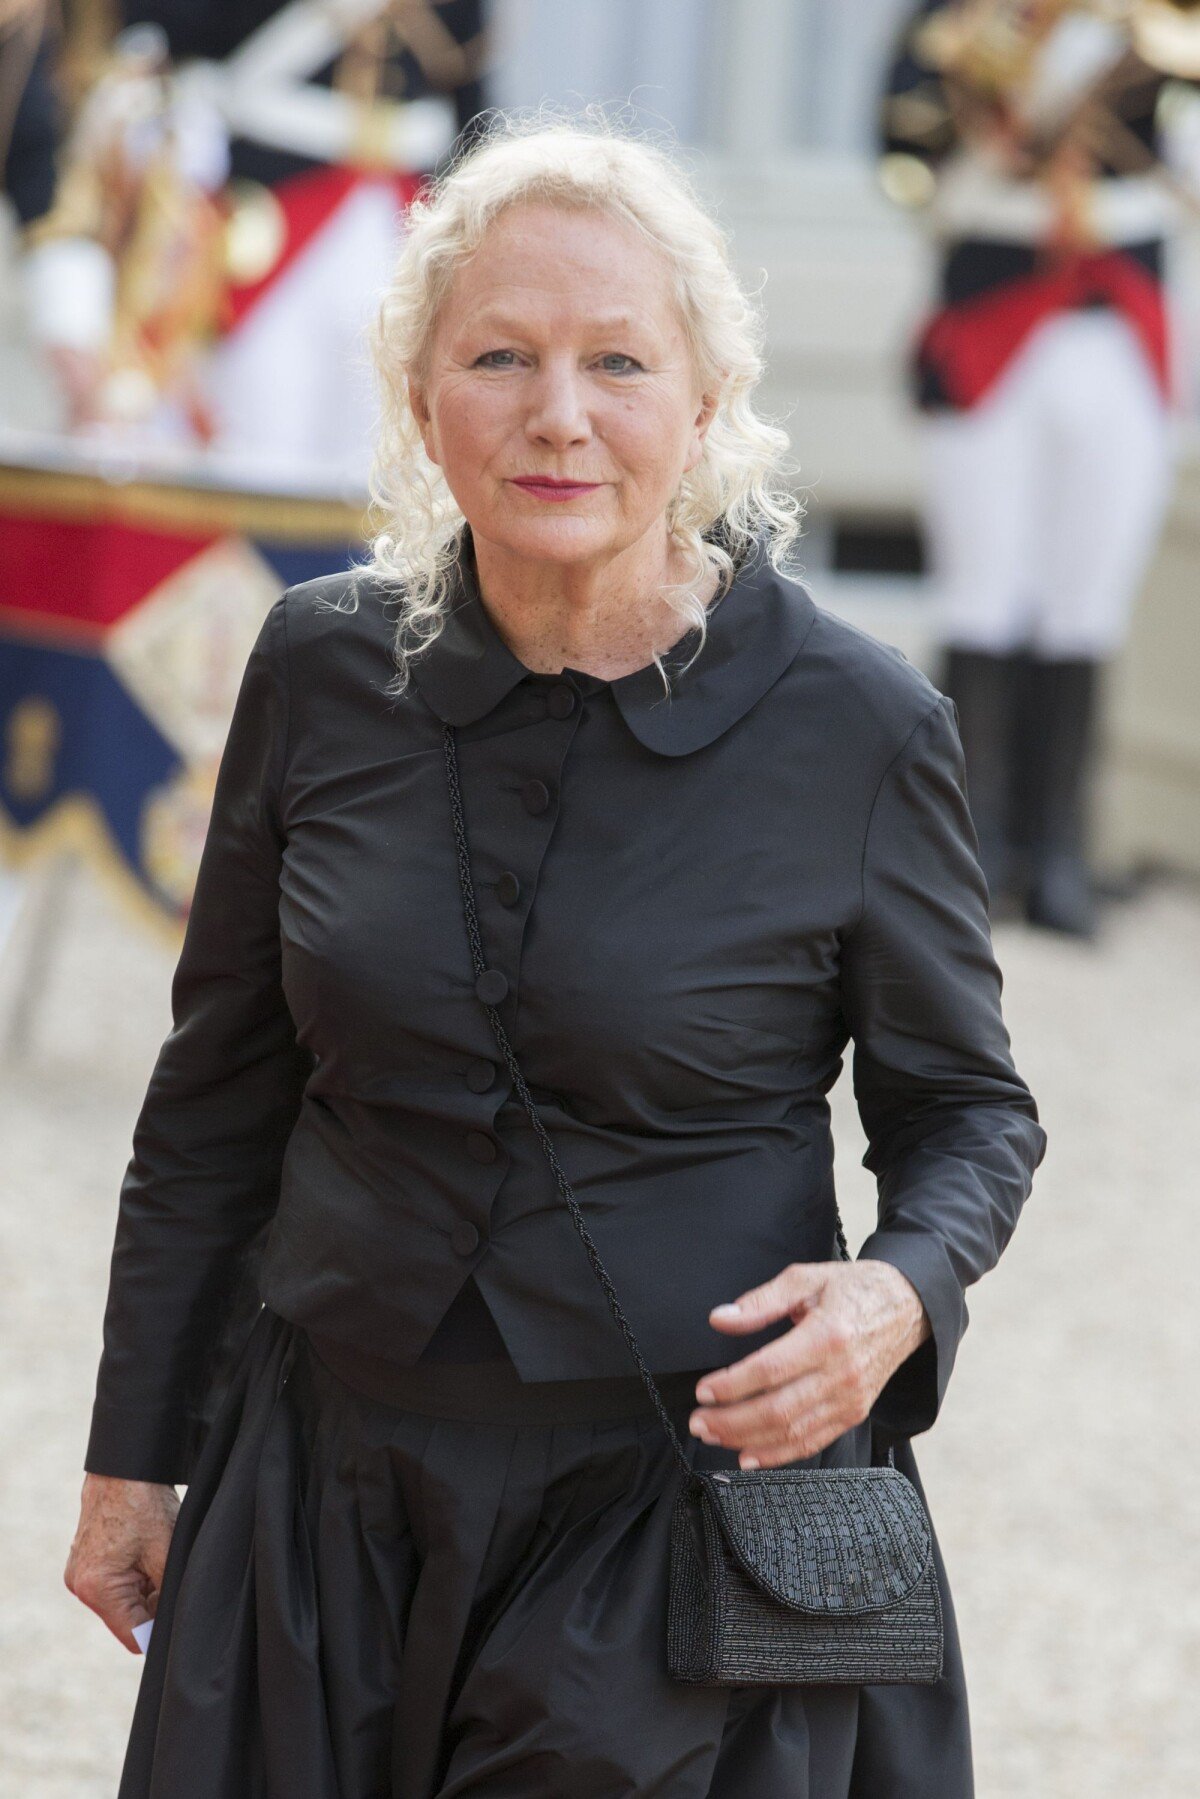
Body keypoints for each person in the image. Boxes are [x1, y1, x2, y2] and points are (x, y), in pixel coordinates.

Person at [65, 110, 1047, 1798]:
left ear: (705, 399)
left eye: (617, 359)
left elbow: (971, 1112)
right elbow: (216, 1097)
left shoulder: (860, 726)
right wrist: (130, 1460)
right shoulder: (316, 669)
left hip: (673, 1519)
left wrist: (900, 1291)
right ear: (422, 395)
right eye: (500, 356)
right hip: (320, 1489)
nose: (559, 413)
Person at [880, 0, 1199, 936]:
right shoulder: (952, 18)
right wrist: (1001, 122)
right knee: (982, 588)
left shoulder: (1160, 24)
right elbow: (900, 156)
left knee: (1085, 596)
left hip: (1118, 320)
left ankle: (1059, 848)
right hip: (991, 313)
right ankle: (963, 855)